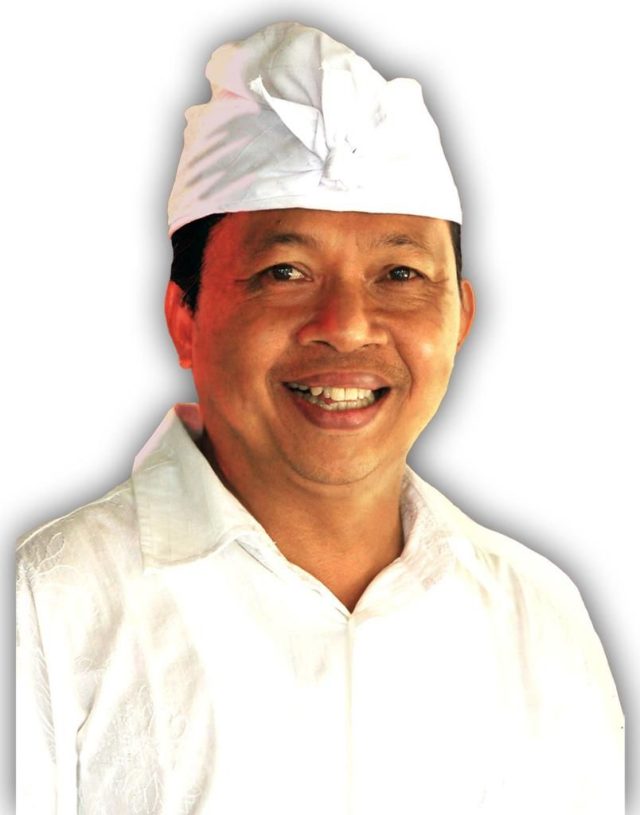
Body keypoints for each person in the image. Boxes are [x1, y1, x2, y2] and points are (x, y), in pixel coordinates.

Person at [16, 21, 623, 814]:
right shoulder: (49, 606)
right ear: (184, 316)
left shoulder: (538, 619)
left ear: (461, 318)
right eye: (285, 271)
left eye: (400, 273)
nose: (346, 325)